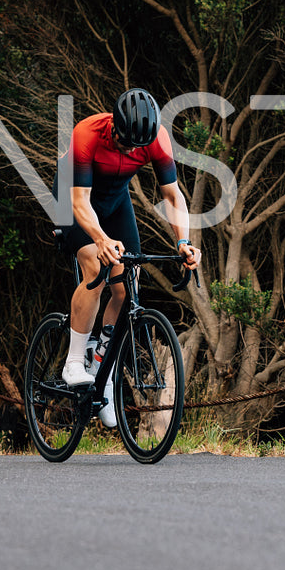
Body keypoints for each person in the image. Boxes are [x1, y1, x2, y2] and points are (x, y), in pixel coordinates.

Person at [59, 88, 200, 426]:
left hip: (115, 202)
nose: (131, 150)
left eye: (138, 146)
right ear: (114, 128)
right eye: (125, 143)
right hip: (73, 200)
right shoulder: (87, 133)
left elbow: (173, 195)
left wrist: (183, 241)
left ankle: (101, 372)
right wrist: (101, 238)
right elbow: (80, 202)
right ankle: (74, 361)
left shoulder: (157, 139)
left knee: (128, 285)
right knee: (95, 264)